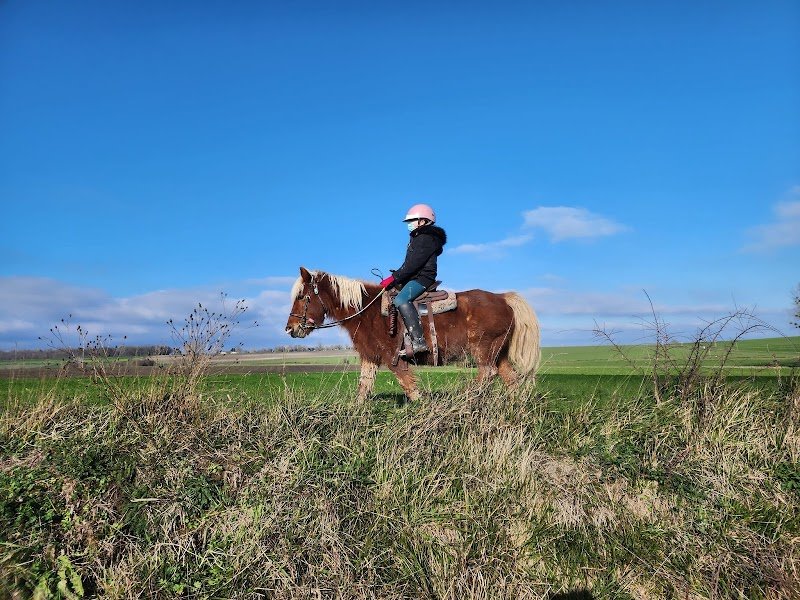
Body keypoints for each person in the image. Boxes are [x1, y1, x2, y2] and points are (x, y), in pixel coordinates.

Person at [380, 203, 447, 355]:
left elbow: (413, 264)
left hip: (423, 279)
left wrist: (394, 277)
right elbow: (409, 265)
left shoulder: (424, 238)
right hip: (415, 277)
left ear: (422, 221)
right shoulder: (418, 238)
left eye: (412, 221)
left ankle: (418, 342)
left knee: (401, 300)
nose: (409, 224)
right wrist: (397, 276)